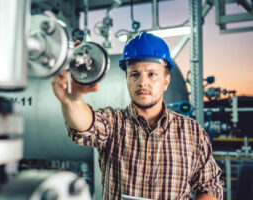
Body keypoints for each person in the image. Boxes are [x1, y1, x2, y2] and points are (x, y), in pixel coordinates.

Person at [51, 32, 223, 200]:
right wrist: (71, 101)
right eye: (135, 75)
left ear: (166, 81)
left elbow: (210, 187)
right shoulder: (113, 123)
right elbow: (85, 127)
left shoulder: (192, 132)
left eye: (152, 74)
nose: (142, 82)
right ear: (126, 79)